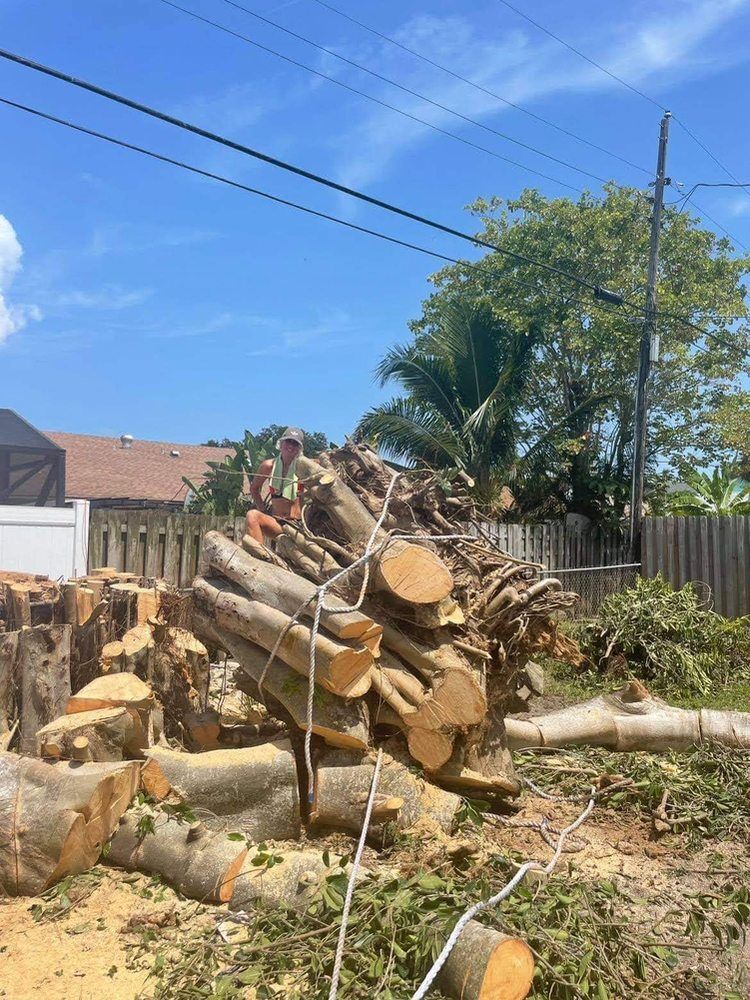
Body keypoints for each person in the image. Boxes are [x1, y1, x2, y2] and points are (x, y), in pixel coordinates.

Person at [246, 427, 305, 544]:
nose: (291, 446)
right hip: (277, 523)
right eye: (288, 441)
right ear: (281, 443)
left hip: (299, 526)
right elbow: (254, 488)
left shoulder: (305, 467)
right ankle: (260, 557)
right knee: (252, 515)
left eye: (295, 443)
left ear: (300, 448)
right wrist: (262, 509)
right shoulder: (268, 466)